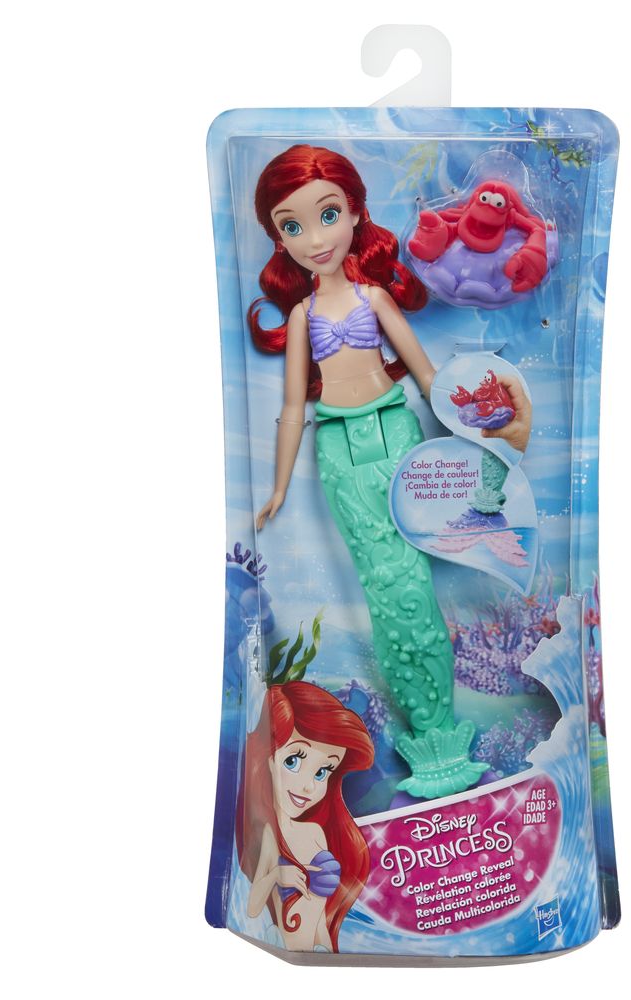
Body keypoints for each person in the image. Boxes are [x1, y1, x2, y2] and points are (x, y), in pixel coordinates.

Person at [247, 144, 487, 800]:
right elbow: (293, 407)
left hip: (395, 432)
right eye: (292, 225)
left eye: (328, 215)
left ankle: (439, 731)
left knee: (412, 584)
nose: (314, 238)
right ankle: (427, 733)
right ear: (278, 239)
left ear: (355, 213)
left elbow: (426, 374)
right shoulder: (302, 317)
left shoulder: (373, 297)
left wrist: (470, 431)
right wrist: (276, 489)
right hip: (340, 451)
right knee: (386, 588)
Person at [237, 681, 374, 953]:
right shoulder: (270, 834)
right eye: (293, 761)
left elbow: (321, 912)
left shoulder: (316, 833)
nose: (308, 786)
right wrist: (276, 876)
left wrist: (330, 949)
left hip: (322, 950)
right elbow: (252, 909)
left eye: (322, 772)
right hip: (284, 945)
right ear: (270, 759)